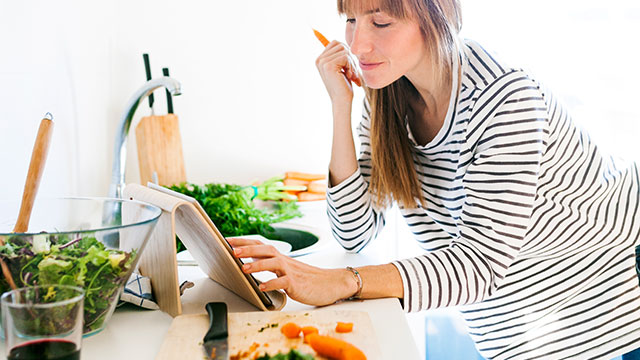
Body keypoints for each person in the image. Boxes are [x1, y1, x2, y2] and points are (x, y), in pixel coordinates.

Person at [228, 0, 640, 358]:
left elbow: (478, 267)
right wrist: (341, 105)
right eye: (351, 20)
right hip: (517, 330)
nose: (356, 45)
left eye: (381, 22)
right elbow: (353, 232)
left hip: (610, 309)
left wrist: (340, 283)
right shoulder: (390, 91)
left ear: (437, 14)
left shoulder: (505, 99)